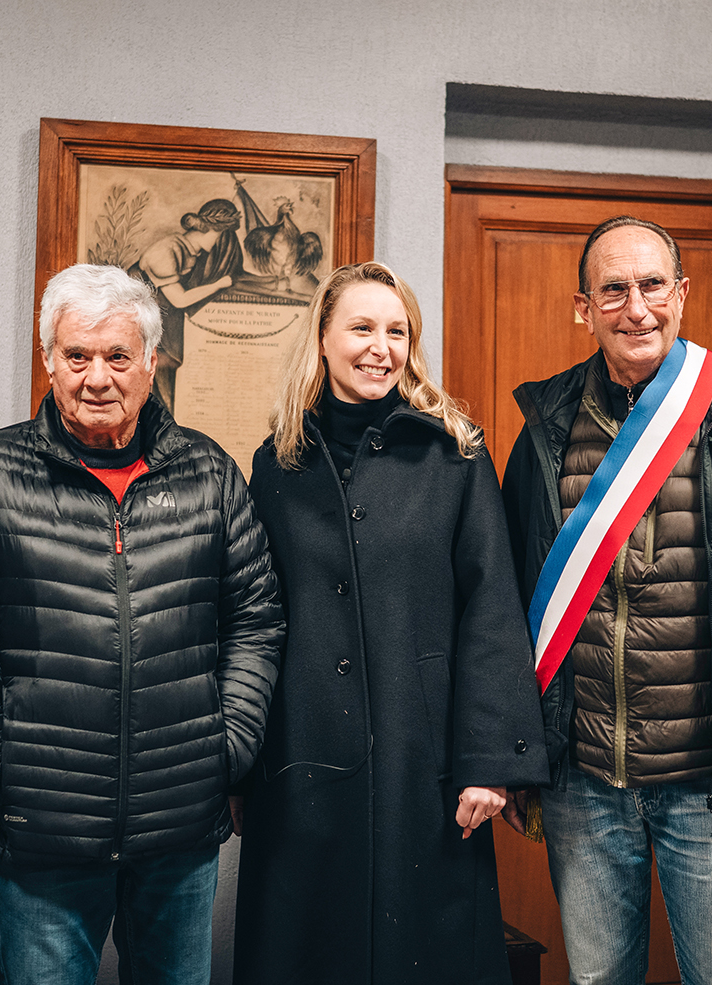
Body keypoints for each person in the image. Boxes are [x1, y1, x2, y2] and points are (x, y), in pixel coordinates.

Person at [0, 263, 283, 985]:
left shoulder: (208, 473)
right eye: (77, 355)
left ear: (152, 363)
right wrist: (3, 766)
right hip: (45, 833)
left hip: (180, 824)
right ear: (47, 359)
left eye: (118, 356)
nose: (97, 376)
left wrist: (227, 746)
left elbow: (258, 618)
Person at [502, 216, 712, 984]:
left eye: (650, 286)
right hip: (584, 783)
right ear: (584, 307)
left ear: (681, 294)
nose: (634, 308)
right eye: (613, 290)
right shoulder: (545, 429)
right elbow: (506, 604)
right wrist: (513, 748)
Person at [232, 262, 548, 985]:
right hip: (300, 764)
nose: (381, 346)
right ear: (322, 337)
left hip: (426, 766)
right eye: (362, 327)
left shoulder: (455, 454)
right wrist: (244, 768)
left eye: (397, 331)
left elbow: (493, 608)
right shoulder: (276, 464)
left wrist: (493, 761)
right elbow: (254, 617)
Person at [128, 198, 243, 409]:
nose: (220, 242)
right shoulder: (167, 250)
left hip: (164, 322)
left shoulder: (194, 252)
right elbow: (180, 300)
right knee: (157, 381)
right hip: (141, 324)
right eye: (220, 235)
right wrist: (218, 285)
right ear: (209, 229)